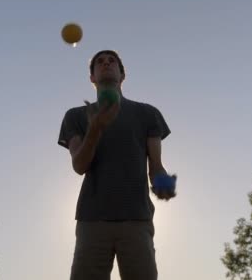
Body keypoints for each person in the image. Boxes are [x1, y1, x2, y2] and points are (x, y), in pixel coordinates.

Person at [58, 49, 177, 280]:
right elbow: (79, 165)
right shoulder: (75, 116)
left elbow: (156, 167)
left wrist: (163, 184)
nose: (106, 63)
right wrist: (95, 129)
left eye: (112, 61)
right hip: (92, 220)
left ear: (123, 75)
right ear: (92, 77)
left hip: (137, 219)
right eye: (99, 62)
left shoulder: (148, 114)